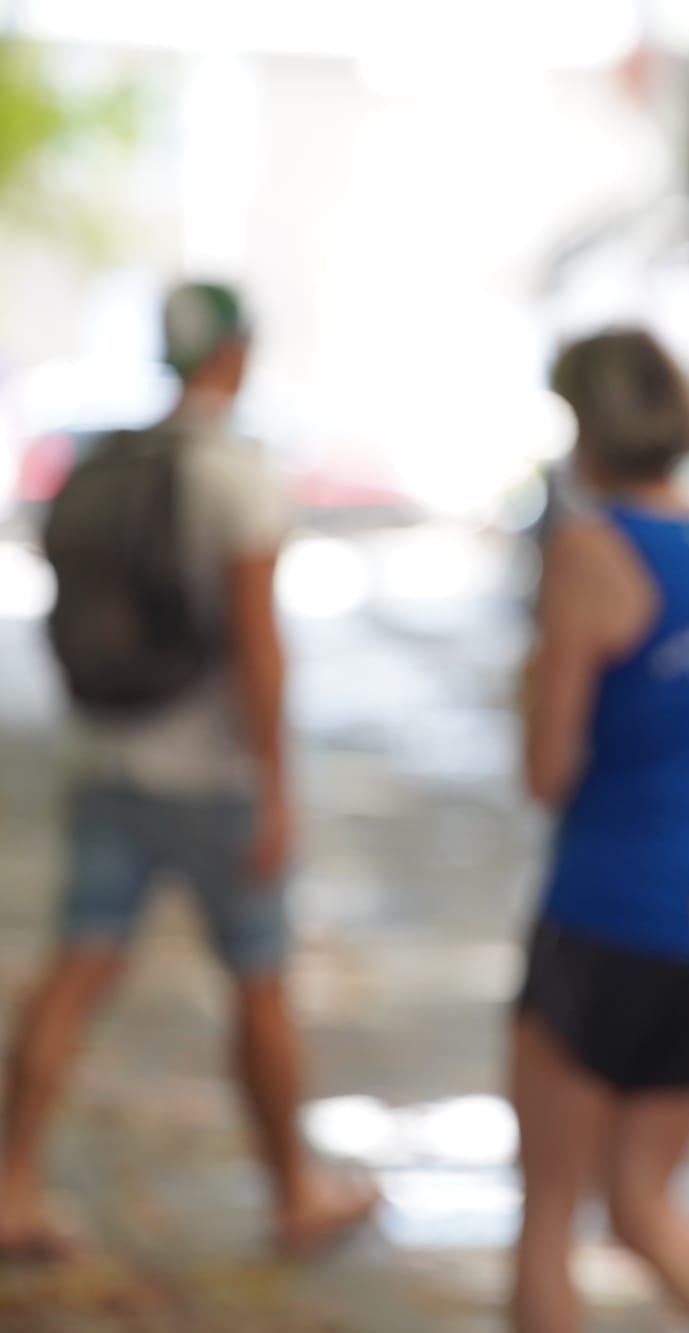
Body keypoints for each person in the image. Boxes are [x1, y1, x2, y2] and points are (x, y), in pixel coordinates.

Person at [0, 281, 377, 1260]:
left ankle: (12, 1182)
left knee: (76, 967)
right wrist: (279, 788)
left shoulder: (106, 458)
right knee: (257, 981)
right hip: (213, 781)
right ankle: (294, 1191)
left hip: (107, 757)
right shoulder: (235, 474)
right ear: (237, 354)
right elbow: (258, 649)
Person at [511, 330, 689, 1333]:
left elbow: (545, 772)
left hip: (599, 916)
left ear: (584, 426)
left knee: (548, 1218)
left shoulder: (589, 553)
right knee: (641, 1206)